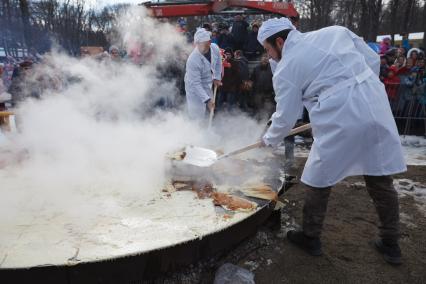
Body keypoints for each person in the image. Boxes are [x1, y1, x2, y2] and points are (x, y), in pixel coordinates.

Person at [257, 18, 406, 265]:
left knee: (318, 177)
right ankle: (391, 244)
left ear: (280, 41)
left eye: (268, 48)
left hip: (340, 116)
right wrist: (359, 90)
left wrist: (268, 140)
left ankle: (310, 237)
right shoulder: (335, 32)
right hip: (374, 103)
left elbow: (286, 117)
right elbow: (370, 60)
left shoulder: (286, 68)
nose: (269, 54)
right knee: (380, 176)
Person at [184, 28, 222, 121]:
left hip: (207, 83)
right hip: (194, 88)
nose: (202, 48)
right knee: (196, 115)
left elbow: (218, 63)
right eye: (199, 45)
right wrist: (207, 100)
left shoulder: (214, 48)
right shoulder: (192, 60)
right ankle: (195, 132)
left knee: (211, 111)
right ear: (196, 44)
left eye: (205, 45)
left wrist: (217, 77)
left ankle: (210, 129)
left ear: (209, 42)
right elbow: (196, 84)